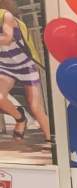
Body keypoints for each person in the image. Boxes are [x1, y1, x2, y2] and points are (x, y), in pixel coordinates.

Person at [0, 0, 50, 144]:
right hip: (5, 66)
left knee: (35, 107)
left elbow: (7, 38)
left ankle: (49, 139)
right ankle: (20, 118)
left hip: (25, 65)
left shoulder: (6, 16)